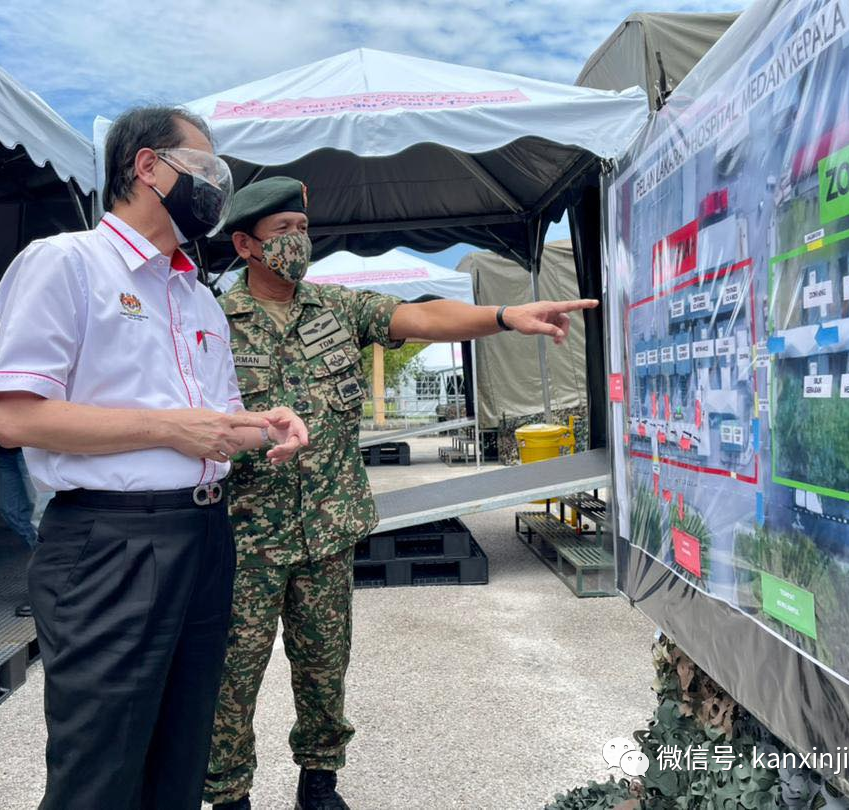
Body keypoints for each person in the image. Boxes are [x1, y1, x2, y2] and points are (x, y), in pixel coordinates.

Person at [204, 177, 599, 810]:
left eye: (304, 230)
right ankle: (228, 796)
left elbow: (420, 314)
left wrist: (503, 318)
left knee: (324, 670)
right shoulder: (211, 323)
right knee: (231, 677)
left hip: (327, 532)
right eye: (284, 232)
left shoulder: (336, 309)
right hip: (246, 538)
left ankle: (319, 784)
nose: (298, 243)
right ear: (246, 244)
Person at [0, 106, 309, 810]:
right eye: (205, 168)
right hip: (111, 543)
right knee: (101, 770)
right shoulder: (67, 263)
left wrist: (264, 426)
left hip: (203, 536)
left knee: (181, 760)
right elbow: (14, 416)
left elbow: (212, 426)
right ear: (147, 166)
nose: (216, 187)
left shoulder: (196, 297)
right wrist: (168, 429)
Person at [0, 434, 38, 616]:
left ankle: (48, 589)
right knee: (10, 510)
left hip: (32, 446)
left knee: (39, 519)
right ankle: (53, 578)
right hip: (5, 449)